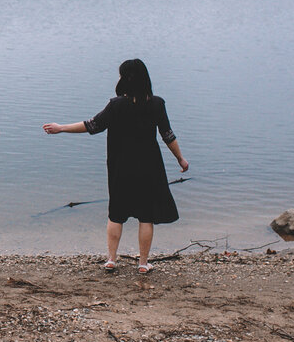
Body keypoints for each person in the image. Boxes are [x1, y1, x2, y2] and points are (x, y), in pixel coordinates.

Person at [43, 59, 188, 274]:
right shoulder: (157, 104)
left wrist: (61, 128)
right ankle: (142, 264)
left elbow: (92, 126)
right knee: (146, 216)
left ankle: (111, 260)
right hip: (149, 166)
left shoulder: (117, 105)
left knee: (116, 213)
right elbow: (168, 135)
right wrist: (180, 159)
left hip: (121, 166)